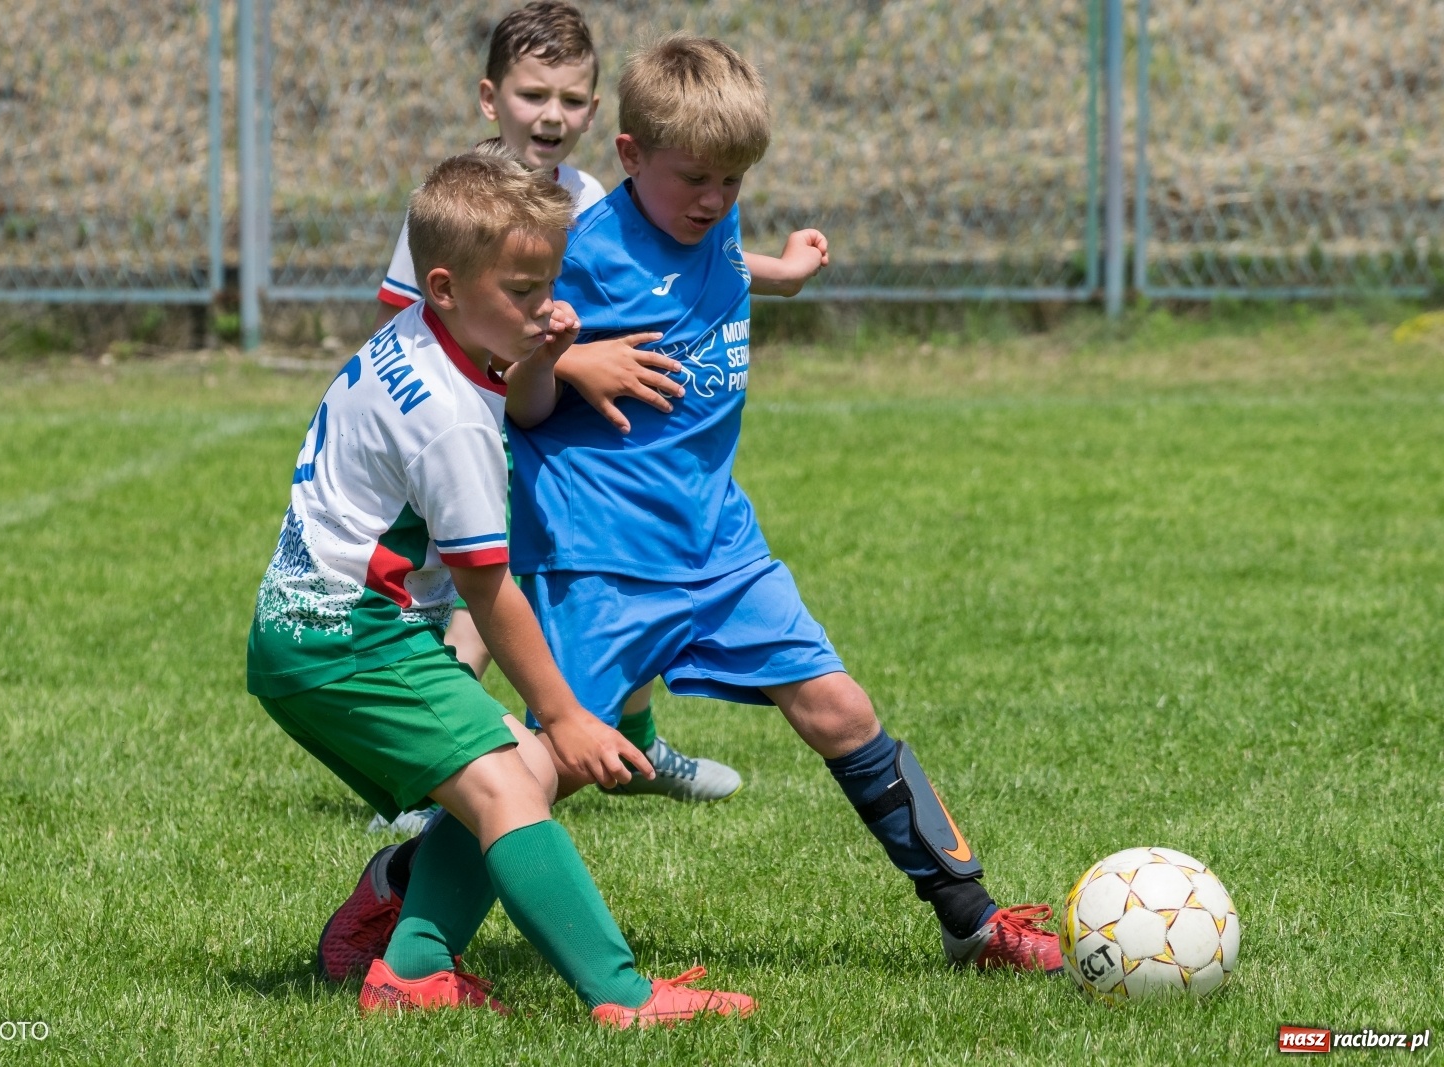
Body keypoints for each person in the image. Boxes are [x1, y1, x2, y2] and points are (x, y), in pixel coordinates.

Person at [498, 35, 1064, 974]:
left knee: (841, 708)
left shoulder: (708, 216)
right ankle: (395, 900)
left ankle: (975, 921)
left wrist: (783, 271)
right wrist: (562, 357)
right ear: (630, 158)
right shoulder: (575, 256)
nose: (715, 199)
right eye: (697, 180)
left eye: (734, 178)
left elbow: (704, 255)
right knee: (548, 767)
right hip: (602, 552)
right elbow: (508, 383)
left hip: (718, 543)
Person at [248, 149, 753, 1025]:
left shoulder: (419, 335)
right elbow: (491, 590)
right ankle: (623, 996)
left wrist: (538, 348)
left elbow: (498, 396)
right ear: (444, 285)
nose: (548, 306)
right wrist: (565, 712)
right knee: (516, 782)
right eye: (523, 291)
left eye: (549, 283)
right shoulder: (447, 420)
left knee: (515, 769)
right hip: (347, 640)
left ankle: (411, 968)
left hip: (321, 628)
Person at [366, 3, 744, 834]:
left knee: (611, 579)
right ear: (489, 98)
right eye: (535, 94)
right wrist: (571, 363)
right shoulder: (456, 203)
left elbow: (602, 309)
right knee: (472, 605)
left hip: (550, 439)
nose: (553, 116)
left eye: (573, 100)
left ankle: (633, 742)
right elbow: (421, 329)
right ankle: (447, 778)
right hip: (465, 438)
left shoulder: (592, 198)